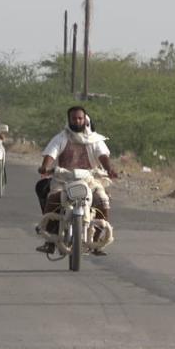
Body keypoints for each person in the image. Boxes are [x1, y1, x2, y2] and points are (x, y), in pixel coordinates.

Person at [36, 106, 118, 255]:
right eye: (74, 118)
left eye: (80, 118)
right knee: (53, 198)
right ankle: (50, 241)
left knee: (103, 200)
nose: (77, 121)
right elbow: (51, 153)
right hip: (63, 179)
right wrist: (45, 167)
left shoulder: (94, 139)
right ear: (69, 120)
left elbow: (103, 156)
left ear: (85, 119)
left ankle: (96, 242)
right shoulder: (61, 138)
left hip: (90, 180)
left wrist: (109, 169)